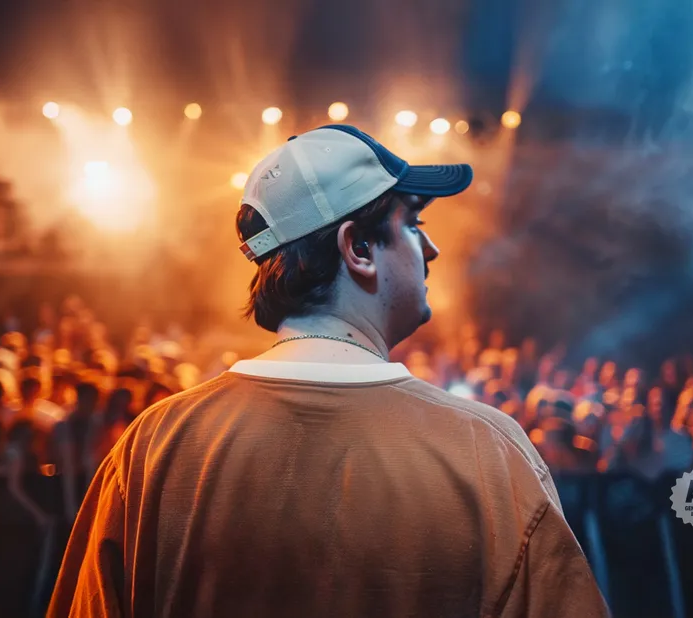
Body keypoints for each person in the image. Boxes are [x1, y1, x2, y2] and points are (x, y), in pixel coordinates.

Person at [48, 124, 609, 617]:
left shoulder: (154, 447)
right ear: (358, 246)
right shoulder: (489, 452)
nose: (431, 247)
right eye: (412, 222)